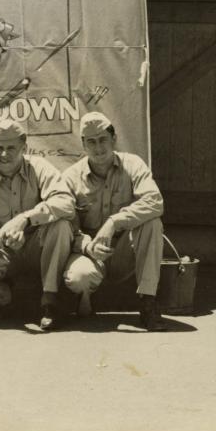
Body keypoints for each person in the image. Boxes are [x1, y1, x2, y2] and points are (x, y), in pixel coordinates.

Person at [62, 112, 166, 331]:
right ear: (83, 145)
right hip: (90, 252)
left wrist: (114, 222)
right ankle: (84, 299)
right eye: (91, 142)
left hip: (124, 250)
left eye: (103, 140)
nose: (98, 148)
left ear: (114, 139)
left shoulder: (133, 164)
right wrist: (88, 246)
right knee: (80, 278)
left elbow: (155, 201)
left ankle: (148, 302)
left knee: (152, 223)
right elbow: (66, 225)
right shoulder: (71, 177)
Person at [0, 119, 75, 330]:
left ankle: (49, 301)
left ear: (24, 147)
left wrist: (25, 219)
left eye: (11, 148)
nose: (4, 154)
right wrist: (1, 237)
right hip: (3, 251)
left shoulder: (40, 167)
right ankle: (2, 300)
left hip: (37, 248)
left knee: (61, 226)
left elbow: (66, 203)